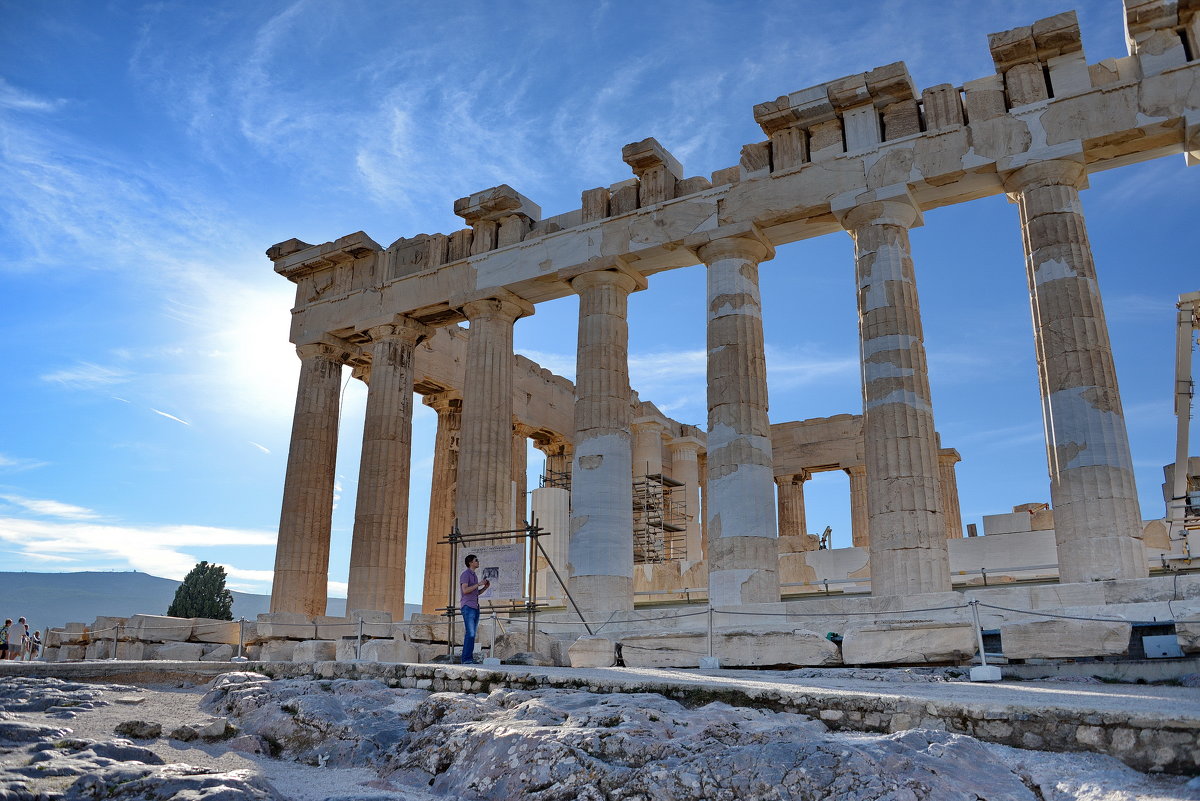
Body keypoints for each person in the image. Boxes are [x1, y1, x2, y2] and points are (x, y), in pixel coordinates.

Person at [459, 554, 490, 664]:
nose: (478, 562)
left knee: (473, 634)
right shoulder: (465, 574)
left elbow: (476, 593)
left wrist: (485, 587)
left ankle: (468, 659)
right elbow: (465, 590)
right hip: (468, 606)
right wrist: (478, 584)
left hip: (475, 606)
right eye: (476, 560)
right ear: (470, 563)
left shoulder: (474, 575)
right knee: (470, 633)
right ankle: (466, 659)